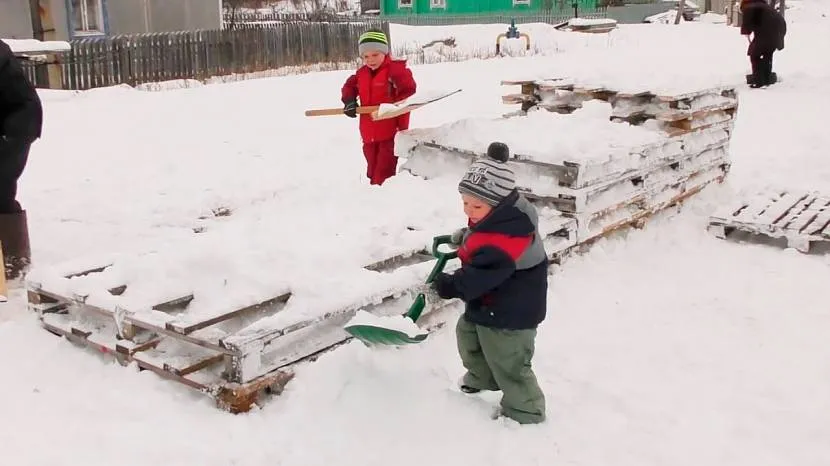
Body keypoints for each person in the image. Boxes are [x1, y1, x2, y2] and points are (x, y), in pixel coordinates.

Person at [431, 142, 549, 425]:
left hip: (512, 311)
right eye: (465, 203)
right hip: (490, 301)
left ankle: (526, 410)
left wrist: (448, 286)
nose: (469, 210)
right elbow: (483, 232)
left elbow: (478, 276)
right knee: (469, 336)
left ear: (497, 204)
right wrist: (467, 236)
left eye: (476, 206)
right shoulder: (500, 214)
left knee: (509, 361)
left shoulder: (505, 238)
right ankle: (483, 378)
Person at [340, 29, 416, 186]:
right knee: (372, 165)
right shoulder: (362, 74)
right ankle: (373, 188)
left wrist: (398, 82)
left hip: (390, 129)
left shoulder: (394, 70)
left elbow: (409, 88)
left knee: (384, 169)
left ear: (385, 53)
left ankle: (381, 193)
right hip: (368, 132)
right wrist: (349, 101)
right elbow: (349, 86)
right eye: (366, 56)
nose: (370, 60)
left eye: (375, 55)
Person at [0, 39, 41, 278]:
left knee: (0, 195)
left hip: (12, 131)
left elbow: (25, 105)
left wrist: (9, 139)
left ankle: (12, 264)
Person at [740, 0, 786, 88]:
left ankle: (759, 81)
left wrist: (746, 31)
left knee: (754, 55)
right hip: (779, 29)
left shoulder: (749, 7)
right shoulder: (763, 7)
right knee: (767, 53)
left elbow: (747, 22)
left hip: (767, 32)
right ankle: (767, 78)